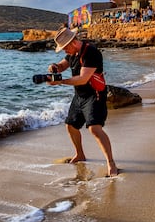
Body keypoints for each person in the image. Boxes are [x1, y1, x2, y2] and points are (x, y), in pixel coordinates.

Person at [46, 28, 118, 177]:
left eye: (65, 47)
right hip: (79, 95)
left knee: (94, 129)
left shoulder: (90, 52)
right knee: (71, 126)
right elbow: (62, 65)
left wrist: (60, 81)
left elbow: (83, 79)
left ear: (73, 42)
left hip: (94, 95)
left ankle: (111, 163)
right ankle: (80, 154)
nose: (65, 50)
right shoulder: (72, 53)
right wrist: (55, 67)